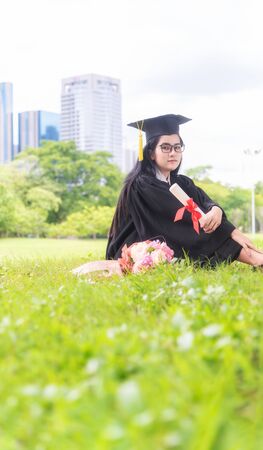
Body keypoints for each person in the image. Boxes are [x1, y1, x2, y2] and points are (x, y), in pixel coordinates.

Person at [73, 114, 263, 276]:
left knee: (206, 221)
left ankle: (256, 258)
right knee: (197, 226)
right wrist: (227, 230)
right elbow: (179, 218)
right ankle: (256, 259)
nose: (173, 153)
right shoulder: (141, 185)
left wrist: (216, 211)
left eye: (177, 146)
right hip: (137, 247)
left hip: (165, 239)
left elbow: (204, 202)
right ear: (151, 153)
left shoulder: (181, 182)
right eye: (165, 147)